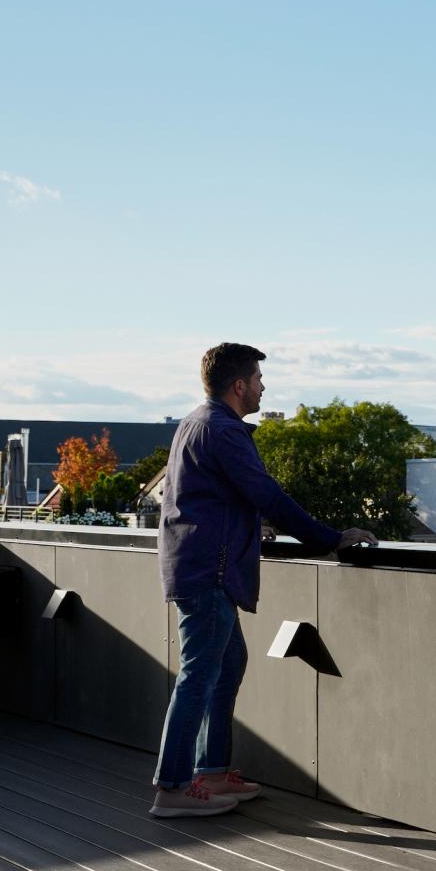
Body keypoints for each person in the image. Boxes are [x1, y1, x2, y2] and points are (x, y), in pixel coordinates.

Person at [152, 342, 376, 817]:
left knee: (227, 666)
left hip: (196, 564)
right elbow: (268, 495)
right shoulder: (224, 430)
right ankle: (171, 788)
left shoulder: (196, 423)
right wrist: (330, 538)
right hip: (207, 571)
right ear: (239, 386)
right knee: (198, 676)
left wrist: (250, 525)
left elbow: (209, 498)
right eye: (257, 379)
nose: (262, 386)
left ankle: (210, 774)